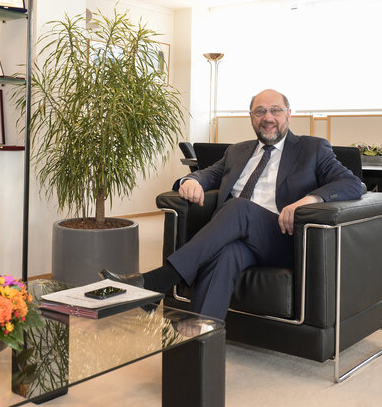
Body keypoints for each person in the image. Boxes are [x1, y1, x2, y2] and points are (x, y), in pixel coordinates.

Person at [102, 89, 363, 320]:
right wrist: (192, 180)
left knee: (239, 207)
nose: (268, 117)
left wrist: (309, 200)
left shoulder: (312, 148)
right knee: (227, 255)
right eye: (260, 111)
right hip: (235, 235)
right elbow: (208, 173)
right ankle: (199, 344)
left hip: (281, 237)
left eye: (275, 110)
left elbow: (352, 184)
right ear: (251, 117)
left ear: (288, 115)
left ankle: (158, 280)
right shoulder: (237, 150)